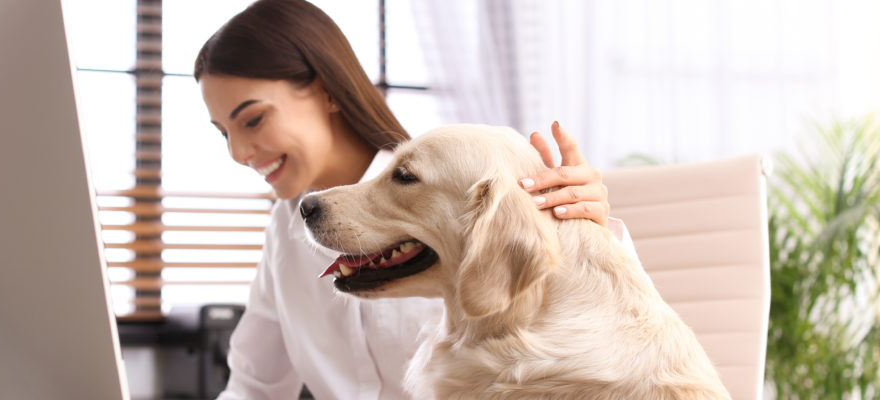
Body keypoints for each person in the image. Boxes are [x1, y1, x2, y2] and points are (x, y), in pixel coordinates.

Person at [194, 1, 639, 398]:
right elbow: (254, 387)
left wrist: (585, 229)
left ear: (326, 90)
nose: (237, 153)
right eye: (223, 134)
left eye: (252, 120)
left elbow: (606, 342)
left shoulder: (460, 185)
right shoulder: (286, 228)